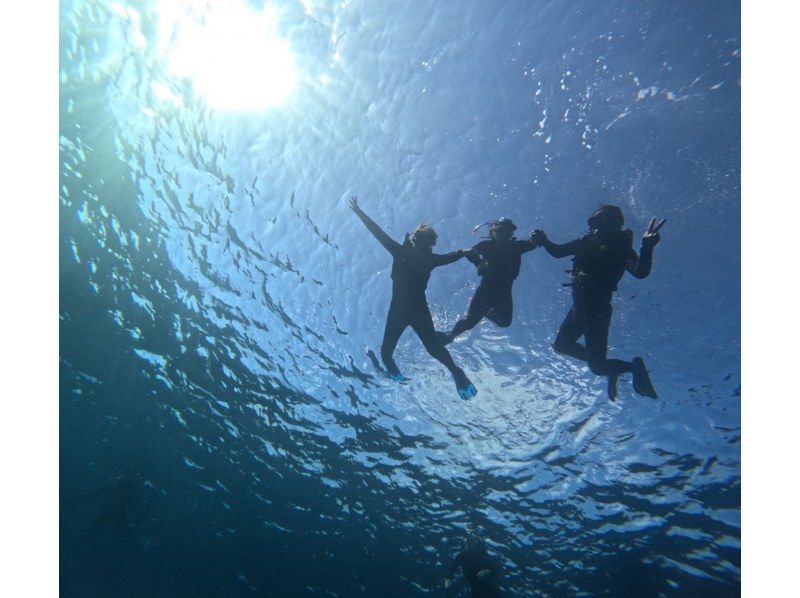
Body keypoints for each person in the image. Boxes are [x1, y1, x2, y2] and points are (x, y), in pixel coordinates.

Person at [531, 206, 666, 400]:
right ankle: (610, 368)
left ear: (615, 224)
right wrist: (543, 239)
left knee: (597, 367)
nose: (596, 228)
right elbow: (558, 251)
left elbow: (640, 272)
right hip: (579, 309)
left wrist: (647, 247)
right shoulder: (587, 241)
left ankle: (632, 367)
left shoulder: (622, 249)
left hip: (598, 311)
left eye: (603, 222)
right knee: (562, 346)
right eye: (595, 223)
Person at [349, 196, 478, 399]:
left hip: (406, 310)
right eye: (420, 240)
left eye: (422, 241)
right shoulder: (417, 256)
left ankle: (452, 371)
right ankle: (447, 366)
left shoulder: (415, 256)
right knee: (409, 350)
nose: (419, 244)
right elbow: (378, 233)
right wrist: (358, 212)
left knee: (412, 350)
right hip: (408, 310)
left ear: (423, 242)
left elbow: (452, 256)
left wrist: (463, 252)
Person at [438, 217, 537, 344]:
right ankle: (450, 336)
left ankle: (485, 312)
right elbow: (468, 252)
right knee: (470, 322)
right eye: (499, 230)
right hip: (486, 290)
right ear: (493, 232)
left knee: (505, 322)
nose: (503, 234)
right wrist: (479, 263)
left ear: (511, 233)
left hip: (504, 292)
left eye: (507, 231)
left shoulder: (516, 246)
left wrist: (536, 235)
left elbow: (533, 244)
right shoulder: (487, 245)